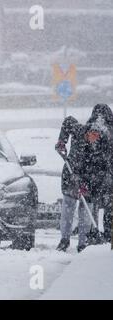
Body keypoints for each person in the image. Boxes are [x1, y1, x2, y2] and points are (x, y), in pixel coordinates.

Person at [55, 115, 110, 252]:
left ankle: (83, 242)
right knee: (68, 207)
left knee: (85, 210)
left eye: (98, 135)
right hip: (70, 175)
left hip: (89, 182)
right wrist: (62, 141)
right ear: (88, 132)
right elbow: (68, 120)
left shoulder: (101, 146)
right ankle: (64, 239)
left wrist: (86, 184)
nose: (95, 138)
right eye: (94, 134)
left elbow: (99, 169)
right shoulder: (79, 130)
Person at [85, 104, 113, 243]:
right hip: (107, 174)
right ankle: (108, 233)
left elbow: (91, 150)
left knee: (94, 205)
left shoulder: (93, 127)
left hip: (96, 174)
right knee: (109, 206)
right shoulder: (109, 128)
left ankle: (94, 232)